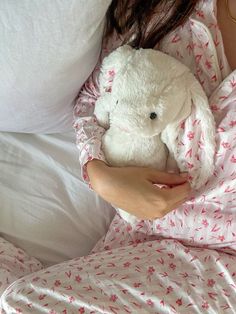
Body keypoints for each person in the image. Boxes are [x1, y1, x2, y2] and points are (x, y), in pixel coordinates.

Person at [1, 0, 236, 312]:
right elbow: (95, 97)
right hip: (146, 241)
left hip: (223, 262)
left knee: (22, 305)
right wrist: (100, 175)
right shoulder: (160, 12)